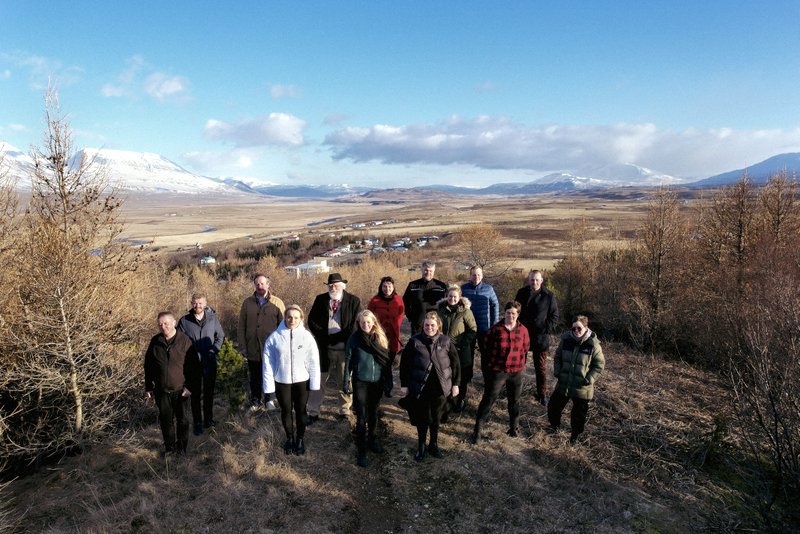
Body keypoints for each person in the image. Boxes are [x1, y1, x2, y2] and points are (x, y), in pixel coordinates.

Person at [400, 311, 460, 461]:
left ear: (438, 325)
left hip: (440, 387)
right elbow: (404, 364)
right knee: (422, 418)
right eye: (427, 325)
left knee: (436, 417)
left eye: (432, 325)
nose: (429, 328)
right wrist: (404, 385)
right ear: (423, 326)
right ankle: (421, 446)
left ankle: (433, 444)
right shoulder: (414, 341)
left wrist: (456, 384)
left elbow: (456, 364)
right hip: (420, 387)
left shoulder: (446, 341)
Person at [263, 305, 321, 455]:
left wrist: (315, 383)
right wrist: (268, 387)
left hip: (302, 381)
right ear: (284, 317)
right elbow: (268, 363)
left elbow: (313, 360)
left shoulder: (307, 337)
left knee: (301, 410)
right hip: (282, 380)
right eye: (289, 317)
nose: (292, 320)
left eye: (296, 317)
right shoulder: (275, 337)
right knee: (286, 410)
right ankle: (289, 438)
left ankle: (300, 439)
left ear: (301, 318)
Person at [471, 301, 530, 443]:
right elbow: (485, 349)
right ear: (504, 313)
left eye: (513, 313)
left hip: (516, 372)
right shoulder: (495, 330)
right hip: (498, 371)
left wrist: (520, 364)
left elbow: (526, 348)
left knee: (514, 400)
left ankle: (513, 427)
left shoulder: (523, 330)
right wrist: (491, 368)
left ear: (518, 314)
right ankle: (477, 431)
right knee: (489, 399)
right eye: (508, 312)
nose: (510, 315)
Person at [144, 312, 200, 455]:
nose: (163, 327)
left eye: (166, 323)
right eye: (160, 324)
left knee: (183, 421)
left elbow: (194, 368)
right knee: (166, 421)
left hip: (181, 390)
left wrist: (189, 387)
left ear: (174, 323)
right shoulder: (155, 342)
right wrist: (148, 386)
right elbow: (148, 365)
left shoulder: (185, 341)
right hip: (161, 390)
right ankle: (170, 448)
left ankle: (181, 449)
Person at [308, 273, 361, 419]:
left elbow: (355, 325)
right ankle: (313, 410)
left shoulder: (354, 301)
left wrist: (336, 337)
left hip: (345, 347)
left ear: (343, 285)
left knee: (344, 379)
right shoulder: (320, 299)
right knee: (318, 379)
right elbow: (312, 321)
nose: (333, 287)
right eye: (330, 285)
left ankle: (344, 409)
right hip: (324, 347)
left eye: (336, 284)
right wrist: (324, 337)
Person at [343, 310, 391, 467]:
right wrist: (346, 381)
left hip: (376, 381)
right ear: (358, 323)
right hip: (360, 382)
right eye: (363, 322)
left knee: (373, 413)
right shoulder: (354, 338)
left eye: (368, 322)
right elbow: (348, 360)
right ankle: (361, 449)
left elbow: (386, 362)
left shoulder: (380, 338)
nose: (366, 325)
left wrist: (388, 382)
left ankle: (373, 439)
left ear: (373, 322)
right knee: (362, 416)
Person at [548, 315, 605, 445]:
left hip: (582, 387)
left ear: (586, 328)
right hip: (564, 382)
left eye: (579, 328)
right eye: (573, 328)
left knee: (578, 415)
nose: (576, 331)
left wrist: (589, 379)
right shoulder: (566, 340)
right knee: (553, 407)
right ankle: (554, 427)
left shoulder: (593, 345)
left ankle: (575, 437)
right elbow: (557, 357)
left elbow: (599, 365)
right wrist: (558, 371)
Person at [178, 292, 225, 435]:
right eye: (195, 303)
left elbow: (220, 336)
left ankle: (208, 420)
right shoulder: (184, 321)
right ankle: (197, 423)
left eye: (200, 303)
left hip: (210, 361)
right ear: (191, 303)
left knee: (209, 393)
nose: (197, 306)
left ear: (205, 304)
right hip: (192, 364)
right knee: (196, 395)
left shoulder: (212, 319)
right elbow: (180, 342)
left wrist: (214, 350)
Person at [238, 273, 285, 412]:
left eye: (262, 283)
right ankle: (255, 400)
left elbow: (284, 325)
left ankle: (270, 399)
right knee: (255, 375)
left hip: (271, 347)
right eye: (257, 284)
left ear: (268, 284)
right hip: (252, 346)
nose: (260, 286)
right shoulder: (247, 303)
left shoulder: (277, 302)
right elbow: (241, 326)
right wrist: (242, 346)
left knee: (271, 373)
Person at [514, 269, 559, 406]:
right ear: (529, 280)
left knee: (540, 367)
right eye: (532, 279)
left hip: (540, 337)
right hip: (522, 335)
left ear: (542, 280)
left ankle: (542, 393)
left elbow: (554, 316)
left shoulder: (549, 296)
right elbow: (515, 311)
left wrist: (545, 329)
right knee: (519, 365)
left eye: (537, 279)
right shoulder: (521, 293)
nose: (534, 282)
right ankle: (516, 391)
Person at [437, 285, 477, 413]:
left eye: (455, 296)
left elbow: (473, 330)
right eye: (450, 296)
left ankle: (460, 401)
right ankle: (446, 402)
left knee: (461, 377)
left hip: (461, 350)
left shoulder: (465, 311)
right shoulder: (441, 310)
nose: (452, 298)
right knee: (445, 375)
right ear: (446, 296)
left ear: (459, 297)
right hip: (443, 350)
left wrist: (462, 345)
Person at [367, 276, 405, 397]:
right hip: (379, 335)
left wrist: (395, 324)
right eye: (384, 286)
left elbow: (401, 313)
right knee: (381, 361)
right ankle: (382, 386)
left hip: (393, 335)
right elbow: (369, 316)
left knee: (389, 361)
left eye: (389, 286)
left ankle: (387, 387)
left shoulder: (398, 299)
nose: (387, 288)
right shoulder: (375, 300)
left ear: (393, 287)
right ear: (381, 287)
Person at [403, 261, 447, 335]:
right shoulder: (413, 285)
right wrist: (410, 317)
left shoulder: (441, 286)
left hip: (435, 325)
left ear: (434, 271)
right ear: (422, 270)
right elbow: (405, 302)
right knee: (417, 345)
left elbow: (446, 303)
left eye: (430, 271)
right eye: (426, 270)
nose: (428, 272)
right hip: (418, 324)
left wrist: (442, 318)